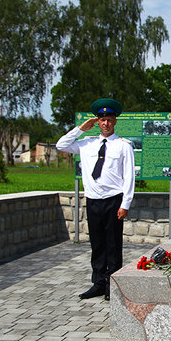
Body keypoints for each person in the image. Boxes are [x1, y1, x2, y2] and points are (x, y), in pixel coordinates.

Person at [57, 98, 135, 301]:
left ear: (115, 121)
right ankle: (98, 283)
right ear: (97, 122)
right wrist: (80, 129)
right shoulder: (86, 143)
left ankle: (113, 284)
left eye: (109, 119)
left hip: (113, 200)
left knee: (113, 244)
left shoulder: (123, 145)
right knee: (97, 243)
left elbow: (129, 177)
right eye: (102, 120)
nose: (106, 123)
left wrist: (125, 204)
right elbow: (61, 145)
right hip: (93, 200)